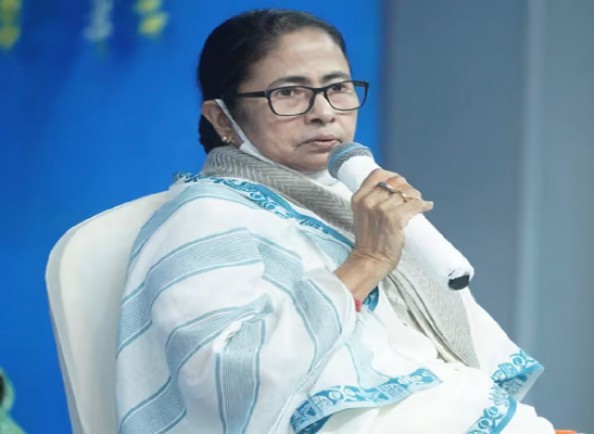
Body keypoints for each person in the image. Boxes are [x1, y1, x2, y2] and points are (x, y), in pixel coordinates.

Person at [116, 9, 554, 434]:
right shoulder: (207, 215)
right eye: (289, 92)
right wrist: (367, 261)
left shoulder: (347, 201)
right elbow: (225, 382)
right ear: (221, 119)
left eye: (338, 87)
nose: (324, 112)